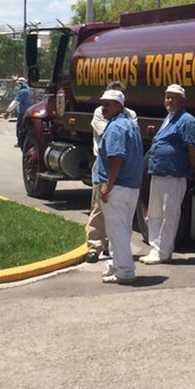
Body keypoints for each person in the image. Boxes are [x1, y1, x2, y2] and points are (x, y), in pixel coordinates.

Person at [139, 84, 195, 265]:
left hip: (173, 174)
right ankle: (155, 248)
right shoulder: (168, 117)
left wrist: (188, 168)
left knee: (169, 214)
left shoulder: (187, 121)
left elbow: (192, 149)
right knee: (155, 212)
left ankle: (164, 251)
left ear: (182, 100)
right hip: (158, 172)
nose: (169, 100)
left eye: (174, 97)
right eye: (167, 97)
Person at [91, 87, 144, 285]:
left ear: (118, 106)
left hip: (118, 186)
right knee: (123, 228)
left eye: (107, 104)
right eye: (102, 104)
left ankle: (125, 271)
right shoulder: (131, 125)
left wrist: (108, 185)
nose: (103, 108)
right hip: (131, 186)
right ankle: (117, 264)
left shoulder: (115, 128)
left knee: (116, 229)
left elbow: (117, 159)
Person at [85, 81, 137, 264]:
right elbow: (107, 134)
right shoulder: (100, 113)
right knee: (99, 207)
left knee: (118, 212)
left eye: (111, 100)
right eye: (105, 100)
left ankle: (114, 248)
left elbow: (125, 139)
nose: (104, 105)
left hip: (122, 167)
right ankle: (95, 246)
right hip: (103, 164)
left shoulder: (130, 114)